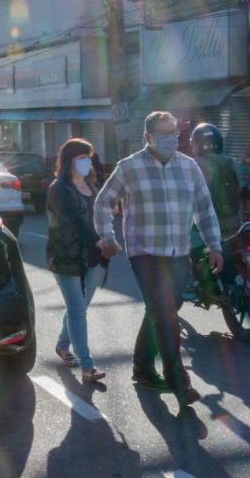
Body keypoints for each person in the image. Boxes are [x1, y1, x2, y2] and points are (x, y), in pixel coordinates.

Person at [94, 111, 223, 407]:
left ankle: (142, 370)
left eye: (174, 132)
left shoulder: (189, 167)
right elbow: (103, 203)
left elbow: (204, 208)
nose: (170, 138)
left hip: (178, 253)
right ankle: (180, 382)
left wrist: (214, 245)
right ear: (147, 137)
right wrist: (107, 237)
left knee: (161, 311)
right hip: (145, 255)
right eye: (163, 133)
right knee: (166, 315)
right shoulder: (129, 167)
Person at [47, 138, 109, 385]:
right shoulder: (58, 188)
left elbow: (100, 215)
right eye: (80, 157)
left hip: (93, 257)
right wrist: (98, 241)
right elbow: (75, 221)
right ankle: (88, 366)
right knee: (77, 309)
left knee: (79, 307)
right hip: (66, 258)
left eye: (88, 157)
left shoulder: (92, 185)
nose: (85, 162)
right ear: (68, 161)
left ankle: (63, 345)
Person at [190, 123, 241, 295]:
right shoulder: (233, 162)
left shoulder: (195, 164)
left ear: (198, 145)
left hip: (209, 224)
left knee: (188, 242)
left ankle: (200, 283)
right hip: (235, 222)